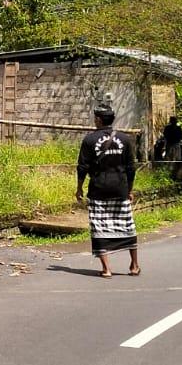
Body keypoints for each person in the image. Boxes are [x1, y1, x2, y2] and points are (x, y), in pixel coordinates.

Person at [75, 103, 140, 278]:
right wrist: (130, 190)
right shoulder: (124, 139)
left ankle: (107, 269)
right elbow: (131, 168)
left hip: (99, 189)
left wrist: (79, 188)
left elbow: (82, 167)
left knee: (99, 226)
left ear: (98, 119)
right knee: (127, 225)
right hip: (120, 189)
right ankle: (134, 266)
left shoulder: (89, 140)